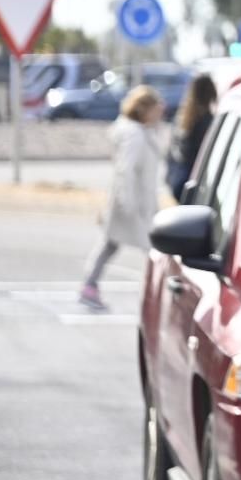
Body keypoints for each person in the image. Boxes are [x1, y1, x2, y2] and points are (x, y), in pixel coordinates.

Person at [79, 85, 166, 312]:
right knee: (152, 249)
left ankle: (90, 285)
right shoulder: (134, 135)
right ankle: (157, 295)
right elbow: (125, 170)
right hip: (132, 204)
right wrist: (129, 204)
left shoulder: (141, 131)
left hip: (136, 202)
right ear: (143, 109)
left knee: (111, 244)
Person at [166, 72, 218, 200]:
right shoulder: (207, 122)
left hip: (180, 182)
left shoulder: (181, 118)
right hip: (197, 185)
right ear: (212, 93)